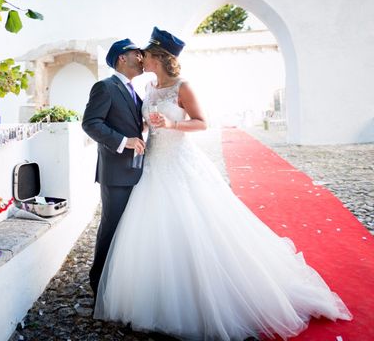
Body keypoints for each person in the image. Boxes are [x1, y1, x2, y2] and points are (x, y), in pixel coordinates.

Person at [93, 27, 352, 340]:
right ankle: (156, 291)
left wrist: (172, 123)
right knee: (153, 229)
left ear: (158, 57)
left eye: (145, 54)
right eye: (138, 55)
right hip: (151, 167)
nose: (141, 58)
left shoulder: (182, 87)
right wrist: (144, 132)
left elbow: (202, 122)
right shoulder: (146, 89)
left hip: (179, 163)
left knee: (195, 224)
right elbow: (133, 124)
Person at [82, 38, 146, 298]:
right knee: (111, 226)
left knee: (130, 227)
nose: (141, 58)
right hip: (116, 172)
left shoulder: (133, 90)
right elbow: (90, 123)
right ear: (122, 57)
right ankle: (99, 284)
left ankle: (121, 280)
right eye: (136, 53)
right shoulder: (104, 87)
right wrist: (123, 142)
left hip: (136, 169)